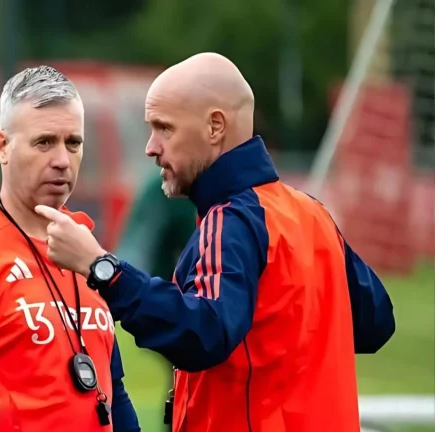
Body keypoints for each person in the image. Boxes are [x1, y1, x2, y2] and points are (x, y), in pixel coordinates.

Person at [34, 53, 395, 432]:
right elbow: (376, 321)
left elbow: (202, 333)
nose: (151, 147)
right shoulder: (311, 214)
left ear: (215, 127)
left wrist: (101, 268)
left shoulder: (230, 221)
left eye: (164, 128)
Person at [0, 66, 140, 432]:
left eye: (73, 143)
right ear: (2, 146)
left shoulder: (88, 249)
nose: (62, 160)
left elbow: (112, 387)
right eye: (44, 142)